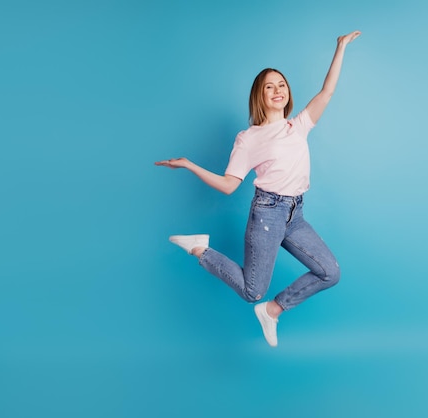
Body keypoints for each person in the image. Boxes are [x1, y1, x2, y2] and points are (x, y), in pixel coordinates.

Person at [155, 30, 361, 347]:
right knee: (253, 291)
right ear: (259, 96)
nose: (277, 90)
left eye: (281, 85)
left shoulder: (298, 125)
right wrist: (191, 165)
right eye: (269, 87)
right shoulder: (248, 138)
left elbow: (326, 93)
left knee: (330, 272)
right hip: (267, 214)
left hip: (295, 215)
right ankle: (200, 248)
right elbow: (228, 185)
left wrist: (341, 47)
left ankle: (273, 310)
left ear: (287, 92)